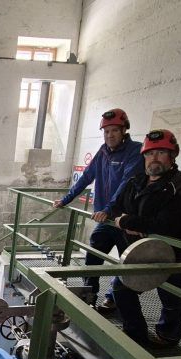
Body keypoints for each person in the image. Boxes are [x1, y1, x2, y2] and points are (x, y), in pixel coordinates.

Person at [109, 129, 181, 347]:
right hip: (144, 251)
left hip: (178, 254)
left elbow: (165, 226)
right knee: (121, 289)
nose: (154, 159)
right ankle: (136, 334)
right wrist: (129, 222)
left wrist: (128, 222)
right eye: (150, 154)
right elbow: (115, 207)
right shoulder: (136, 181)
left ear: (173, 155)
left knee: (173, 298)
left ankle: (168, 337)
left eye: (161, 153)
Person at [53, 108, 144, 313]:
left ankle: (114, 299)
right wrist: (66, 200)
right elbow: (86, 177)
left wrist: (109, 209)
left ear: (124, 131)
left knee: (127, 263)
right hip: (105, 220)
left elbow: (126, 183)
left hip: (124, 220)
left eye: (114, 130)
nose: (110, 135)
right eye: (106, 131)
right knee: (93, 256)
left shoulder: (135, 152)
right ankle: (89, 294)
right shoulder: (102, 152)